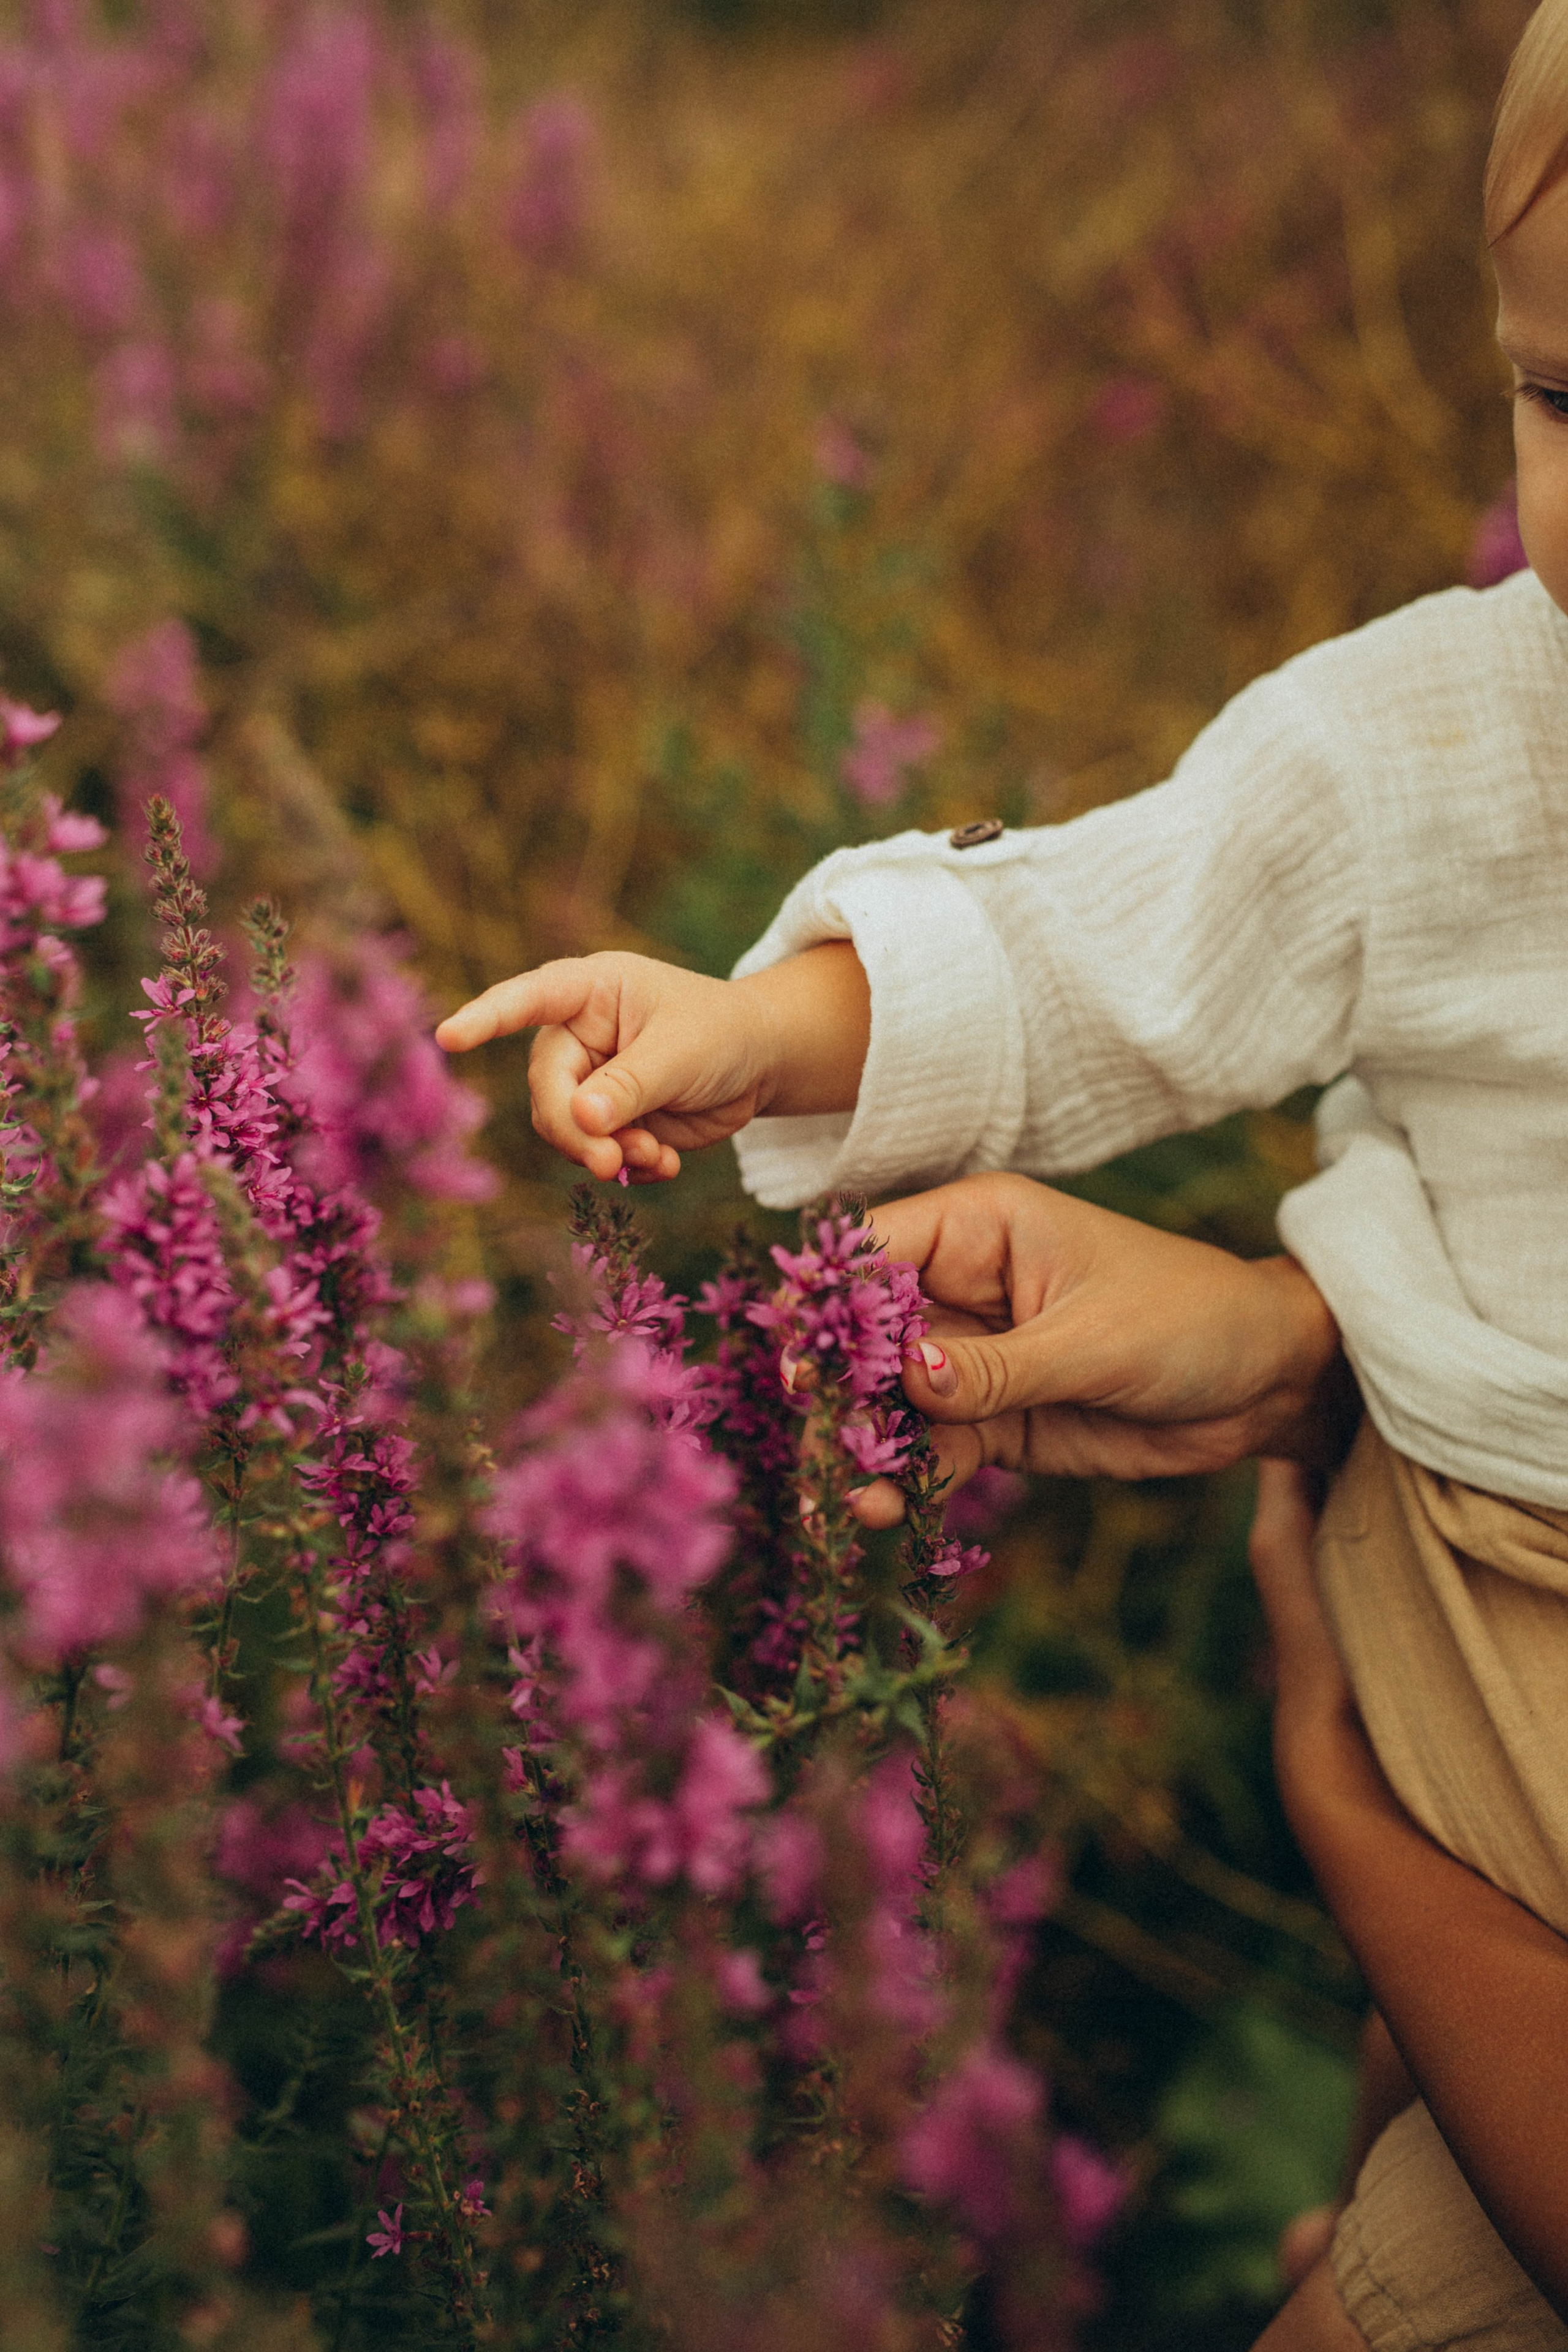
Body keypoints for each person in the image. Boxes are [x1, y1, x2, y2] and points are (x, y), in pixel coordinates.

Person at [438, 4, 1568, 2339]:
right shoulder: (1448, 743)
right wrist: (768, 1027)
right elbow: (1105, 947)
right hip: (1490, 1573)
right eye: (1565, 403)